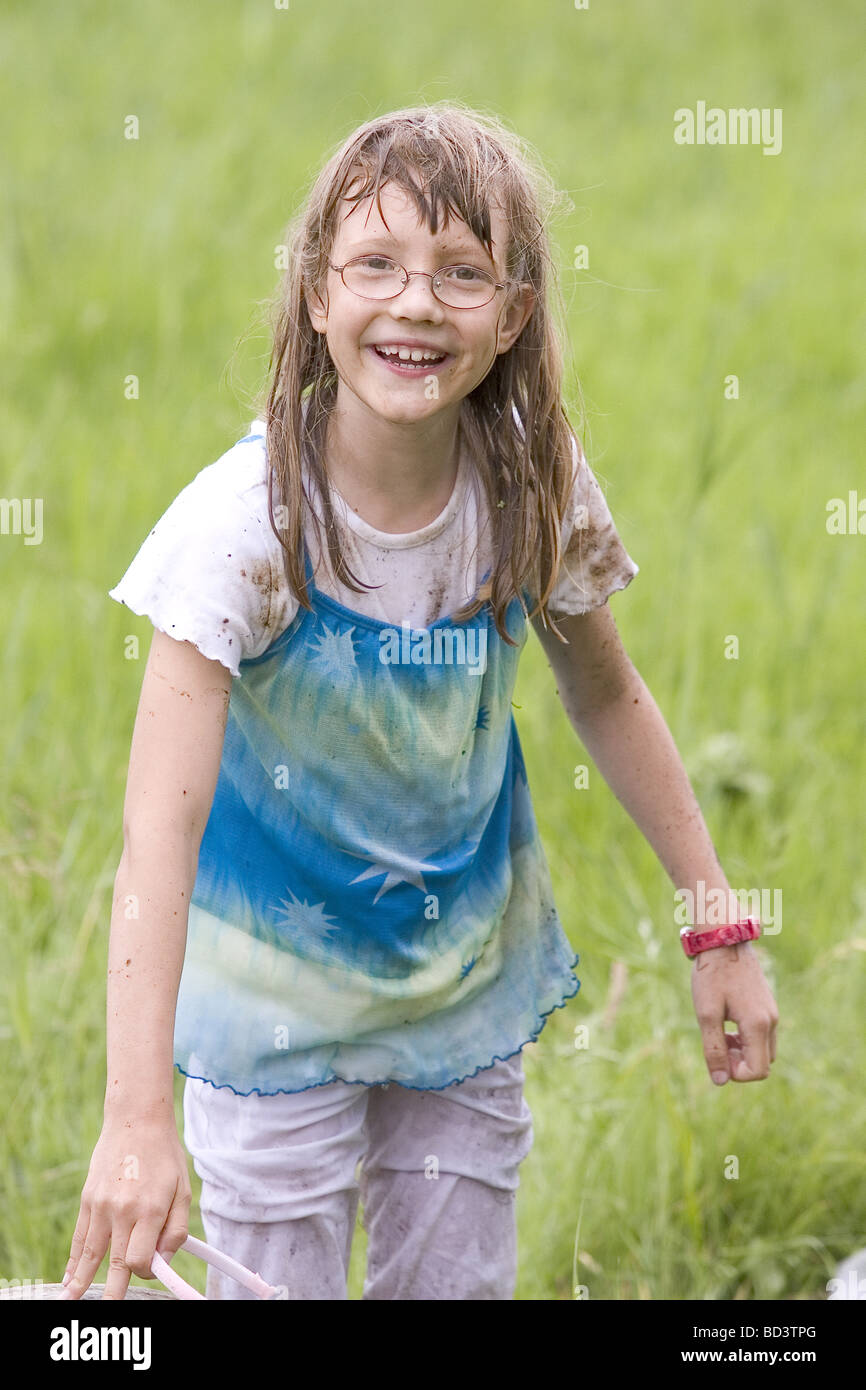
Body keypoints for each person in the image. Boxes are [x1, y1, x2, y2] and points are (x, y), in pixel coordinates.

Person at [61, 102, 779, 1302]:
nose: (413, 302)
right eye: (375, 265)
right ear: (315, 295)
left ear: (512, 315)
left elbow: (608, 695)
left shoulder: (530, 493)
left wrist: (716, 923)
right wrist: (136, 1122)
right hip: (269, 1025)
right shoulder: (241, 532)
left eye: (460, 273)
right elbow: (157, 833)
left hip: (457, 1003)